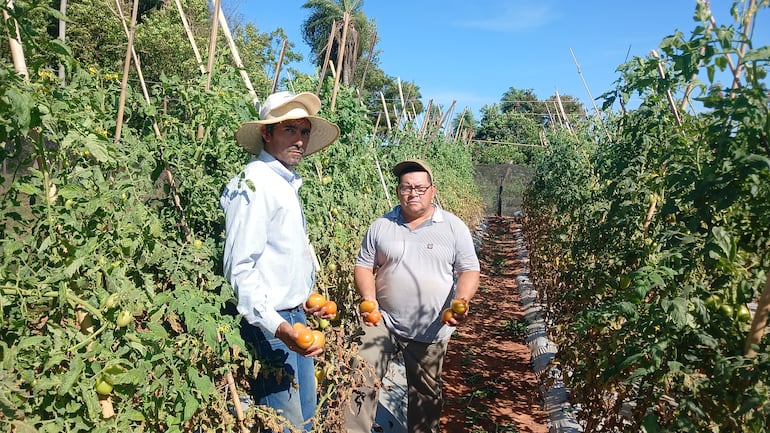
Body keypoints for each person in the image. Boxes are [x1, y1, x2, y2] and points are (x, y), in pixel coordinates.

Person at [220, 91, 340, 431]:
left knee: (304, 420)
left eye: (304, 131)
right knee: (285, 426)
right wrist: (278, 326)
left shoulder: (283, 183)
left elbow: (277, 257)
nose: (300, 140)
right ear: (266, 133)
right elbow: (240, 267)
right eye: (290, 130)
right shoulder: (255, 184)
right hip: (271, 327)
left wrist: (302, 297)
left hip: (294, 318)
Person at [343, 159, 481, 433]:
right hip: (381, 321)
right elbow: (364, 265)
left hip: (430, 327)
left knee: (425, 395)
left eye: (420, 187)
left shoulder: (453, 227)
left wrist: (462, 301)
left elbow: (469, 270)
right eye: (406, 187)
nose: (413, 193)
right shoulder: (381, 225)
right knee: (361, 378)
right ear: (398, 192)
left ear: (433, 190)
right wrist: (369, 300)